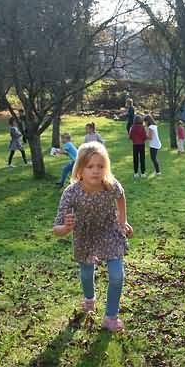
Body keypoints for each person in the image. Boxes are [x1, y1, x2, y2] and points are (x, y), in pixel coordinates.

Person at [53, 142, 133, 332]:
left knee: (117, 275)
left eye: (100, 166)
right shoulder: (71, 193)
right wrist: (66, 227)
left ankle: (110, 317)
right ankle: (90, 300)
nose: (96, 171)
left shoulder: (110, 186)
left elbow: (120, 196)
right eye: (90, 166)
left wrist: (122, 221)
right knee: (87, 273)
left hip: (109, 231)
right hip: (84, 235)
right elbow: (57, 228)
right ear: (80, 169)